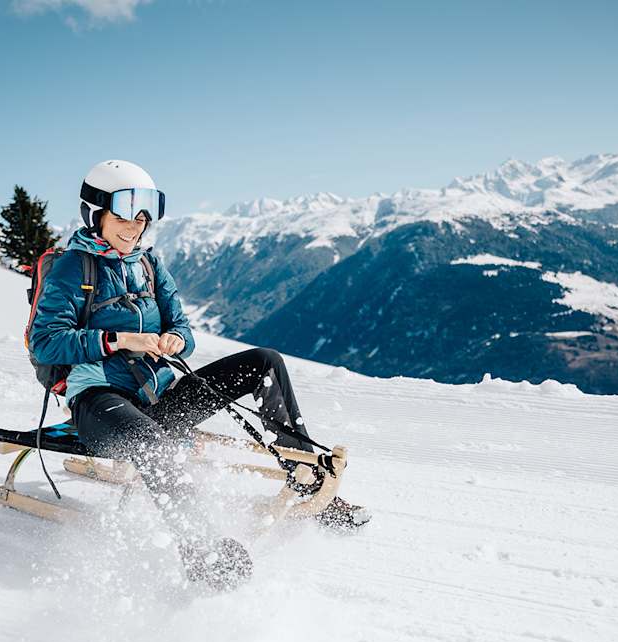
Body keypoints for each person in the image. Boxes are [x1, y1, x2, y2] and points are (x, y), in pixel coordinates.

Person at [28, 160, 367, 583]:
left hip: (157, 397)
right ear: (95, 215)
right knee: (152, 443)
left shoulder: (149, 265)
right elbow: (46, 341)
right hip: (99, 402)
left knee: (265, 362)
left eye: (142, 217)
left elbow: (183, 329)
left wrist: (175, 339)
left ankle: (309, 482)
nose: (134, 227)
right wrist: (117, 340)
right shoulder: (72, 268)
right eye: (122, 216)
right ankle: (201, 549)